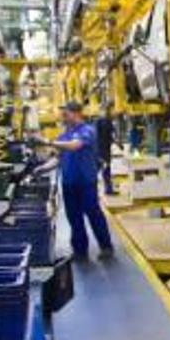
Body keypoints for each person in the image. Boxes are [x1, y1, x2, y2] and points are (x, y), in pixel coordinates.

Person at [49, 101, 114, 260]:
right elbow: (57, 158)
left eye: (66, 113)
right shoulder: (64, 135)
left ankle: (106, 246)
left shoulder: (88, 130)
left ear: (76, 113)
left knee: (93, 214)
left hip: (86, 182)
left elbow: (75, 146)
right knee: (74, 217)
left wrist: (48, 142)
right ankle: (80, 251)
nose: (64, 117)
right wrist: (40, 169)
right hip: (69, 183)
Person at [96, 104, 116, 195]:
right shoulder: (98, 122)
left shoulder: (109, 122)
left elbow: (111, 136)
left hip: (106, 149)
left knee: (106, 169)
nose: (110, 113)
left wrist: (117, 143)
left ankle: (108, 189)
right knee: (101, 169)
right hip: (100, 150)